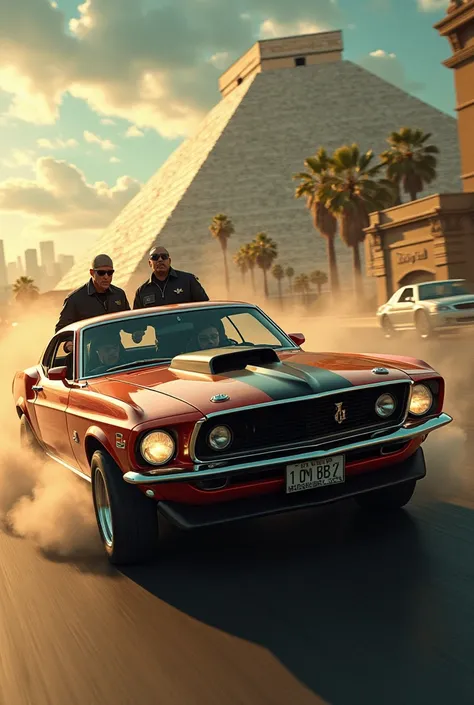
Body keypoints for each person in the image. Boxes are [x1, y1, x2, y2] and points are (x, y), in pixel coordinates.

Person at [55, 254, 131, 334]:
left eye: (110, 273)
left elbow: (128, 323)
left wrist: (137, 330)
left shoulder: (119, 294)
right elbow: (61, 329)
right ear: (92, 273)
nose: (106, 277)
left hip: (116, 345)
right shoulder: (75, 299)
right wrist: (69, 343)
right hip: (88, 346)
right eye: (101, 273)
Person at [133, 246, 209, 309]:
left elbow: (205, 308)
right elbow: (137, 323)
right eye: (155, 257)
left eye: (164, 256)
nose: (160, 260)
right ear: (150, 263)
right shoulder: (142, 292)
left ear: (169, 261)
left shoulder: (188, 281)